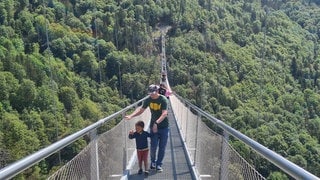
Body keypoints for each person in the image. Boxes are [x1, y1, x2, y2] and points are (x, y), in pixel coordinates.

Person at [125, 84, 169, 172]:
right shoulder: (148, 99)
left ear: (157, 91)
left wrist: (156, 123)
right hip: (153, 126)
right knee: (153, 146)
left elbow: (164, 114)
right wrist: (131, 116)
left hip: (163, 127)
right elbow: (141, 110)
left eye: (153, 93)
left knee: (162, 147)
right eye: (150, 93)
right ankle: (153, 162)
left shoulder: (163, 99)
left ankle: (159, 164)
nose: (151, 95)